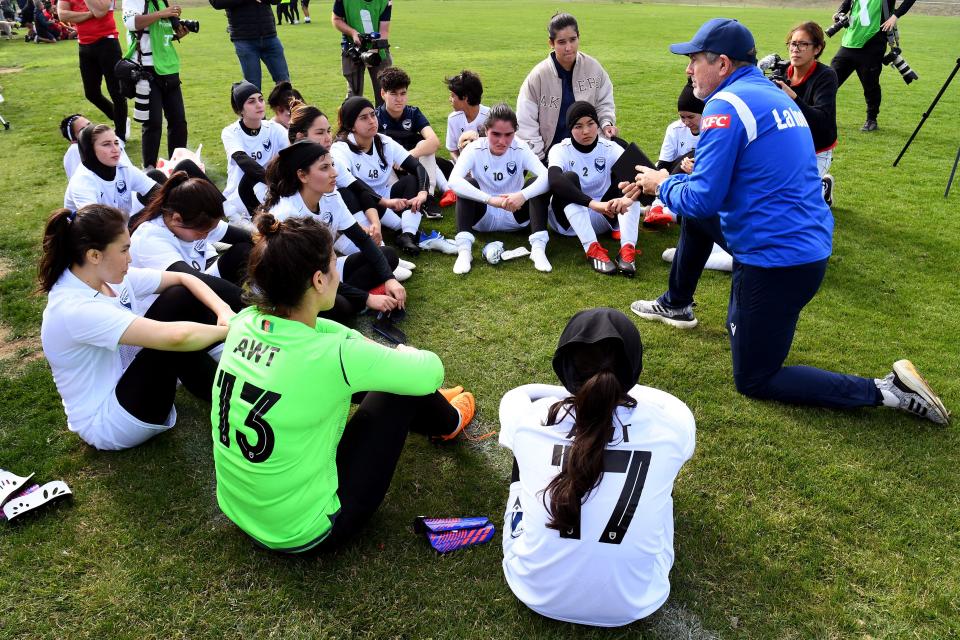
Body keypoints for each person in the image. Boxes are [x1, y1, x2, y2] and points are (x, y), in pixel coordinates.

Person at [622, 18, 950, 425]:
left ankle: (888, 391)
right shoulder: (769, 92)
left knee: (756, 378)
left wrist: (663, 182)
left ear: (722, 64)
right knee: (703, 232)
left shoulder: (725, 107)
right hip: (802, 243)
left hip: (779, 259)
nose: (688, 70)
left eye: (693, 61)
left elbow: (704, 196)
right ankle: (677, 304)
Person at [210, 213, 476, 552]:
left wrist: (358, 344)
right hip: (305, 530)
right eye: (335, 265)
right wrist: (402, 352)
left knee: (379, 370)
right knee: (400, 383)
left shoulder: (245, 321)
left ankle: (436, 408)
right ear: (319, 280)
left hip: (240, 508)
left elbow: (323, 335)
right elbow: (429, 370)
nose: (338, 274)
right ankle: (449, 421)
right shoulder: (333, 353)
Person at [500, 307, 695, 627]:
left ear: (564, 369)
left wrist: (574, 392)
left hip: (535, 589)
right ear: (633, 372)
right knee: (663, 485)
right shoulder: (673, 426)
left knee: (522, 459)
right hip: (636, 601)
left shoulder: (528, 418)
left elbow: (519, 394)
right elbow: (668, 401)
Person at [39, 204, 234, 450]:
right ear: (94, 255)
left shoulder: (101, 278)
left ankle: (224, 390)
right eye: (124, 250)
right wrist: (234, 330)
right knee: (172, 331)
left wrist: (224, 311)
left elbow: (185, 278)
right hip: (111, 422)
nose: (130, 258)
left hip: (131, 385)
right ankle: (234, 393)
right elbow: (175, 337)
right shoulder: (73, 308)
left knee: (179, 296)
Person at [263, 140, 407, 319]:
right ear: (302, 175)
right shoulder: (288, 214)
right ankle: (360, 299)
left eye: (332, 165)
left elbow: (361, 239)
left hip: (325, 272)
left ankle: (360, 295)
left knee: (388, 255)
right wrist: (367, 298)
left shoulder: (332, 196)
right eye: (324, 168)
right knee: (342, 309)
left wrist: (389, 278)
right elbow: (308, 275)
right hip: (300, 283)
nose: (334, 173)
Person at [448, 103, 551, 274]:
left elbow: (547, 176)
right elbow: (453, 181)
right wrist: (490, 200)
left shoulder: (520, 147)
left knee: (535, 183)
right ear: (486, 130)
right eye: (496, 134)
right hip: (483, 217)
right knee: (467, 184)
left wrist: (522, 195)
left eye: (508, 135)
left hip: (516, 213)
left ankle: (538, 250)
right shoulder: (474, 148)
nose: (502, 141)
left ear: (515, 132)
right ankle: (464, 251)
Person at [129, 171, 252, 313]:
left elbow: (247, 237)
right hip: (154, 311)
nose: (206, 236)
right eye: (202, 232)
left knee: (244, 250)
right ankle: (237, 314)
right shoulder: (150, 238)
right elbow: (190, 278)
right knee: (184, 290)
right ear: (177, 219)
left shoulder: (192, 219)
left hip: (195, 283)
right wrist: (248, 300)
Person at [546, 101, 640, 277]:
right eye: (578, 126)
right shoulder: (559, 149)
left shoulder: (610, 147)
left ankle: (627, 251)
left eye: (590, 124)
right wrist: (593, 204)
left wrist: (627, 199)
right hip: (566, 223)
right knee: (568, 178)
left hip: (604, 217)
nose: (586, 131)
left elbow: (642, 174)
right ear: (570, 129)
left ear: (598, 124)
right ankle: (592, 249)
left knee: (630, 182)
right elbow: (554, 180)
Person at [331, 96, 430, 256]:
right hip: (362, 204)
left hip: (385, 200)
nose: (372, 121)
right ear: (351, 126)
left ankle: (407, 234)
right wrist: (385, 202)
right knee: (349, 192)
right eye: (364, 118)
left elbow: (417, 166)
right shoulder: (340, 148)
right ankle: (379, 243)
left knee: (411, 180)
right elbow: (352, 184)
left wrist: (423, 192)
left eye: (372, 114)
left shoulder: (384, 141)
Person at [517, 12, 617, 162]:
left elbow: (604, 102)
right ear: (551, 43)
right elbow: (526, 121)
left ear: (579, 37)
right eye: (562, 42)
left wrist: (606, 123)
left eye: (573, 40)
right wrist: (539, 157)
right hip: (553, 155)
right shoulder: (538, 76)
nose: (569, 48)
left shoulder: (593, 68)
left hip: (590, 148)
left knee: (624, 155)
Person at [375, 66, 451, 216]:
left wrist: (407, 157)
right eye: (393, 94)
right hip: (390, 169)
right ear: (383, 93)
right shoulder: (375, 117)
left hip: (413, 165)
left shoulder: (413, 113)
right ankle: (400, 199)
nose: (399, 99)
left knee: (425, 145)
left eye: (403, 93)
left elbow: (434, 142)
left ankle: (428, 198)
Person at [775, 21, 838, 205]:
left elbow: (822, 120)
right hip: (788, 144)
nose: (796, 49)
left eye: (803, 44)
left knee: (797, 202)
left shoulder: (826, 76)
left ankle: (822, 188)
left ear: (817, 49)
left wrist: (793, 97)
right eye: (793, 44)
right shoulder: (781, 71)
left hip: (817, 149)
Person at [121, 0, 189, 168]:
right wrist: (162, 13)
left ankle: (179, 165)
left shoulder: (161, 1)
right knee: (153, 123)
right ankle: (150, 169)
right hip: (146, 68)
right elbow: (131, 23)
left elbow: (158, 35)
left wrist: (176, 34)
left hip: (169, 67)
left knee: (178, 121)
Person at [830, 0, 915, 132]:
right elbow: (848, 2)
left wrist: (895, 16)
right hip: (849, 42)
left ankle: (871, 119)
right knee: (829, 81)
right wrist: (839, 12)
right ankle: (822, 114)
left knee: (870, 85)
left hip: (873, 43)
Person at [56, 0, 127, 140]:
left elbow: (100, 12)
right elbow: (62, 15)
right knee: (91, 93)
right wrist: (89, 14)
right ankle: (119, 118)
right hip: (84, 45)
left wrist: (79, 15)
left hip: (107, 42)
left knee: (116, 92)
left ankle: (120, 135)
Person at [221, 80, 289, 224]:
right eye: (251, 101)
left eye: (261, 99)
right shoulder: (230, 132)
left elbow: (290, 156)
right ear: (240, 110)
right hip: (241, 195)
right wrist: (274, 183)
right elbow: (243, 161)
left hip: (271, 190)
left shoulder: (275, 128)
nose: (259, 104)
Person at [64, 124, 159, 218]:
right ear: (90, 150)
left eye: (116, 143)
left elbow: (160, 194)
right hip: (96, 230)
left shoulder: (123, 168)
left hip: (121, 225)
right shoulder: (82, 182)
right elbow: (95, 224)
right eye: (106, 144)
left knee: (156, 177)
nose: (115, 149)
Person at [209, 0, 291, 92]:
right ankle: (256, 105)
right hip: (244, 39)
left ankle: (286, 106)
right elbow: (217, 3)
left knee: (285, 83)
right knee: (253, 86)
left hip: (269, 35)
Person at [331, 0, 391, 105]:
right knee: (354, 94)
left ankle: (381, 120)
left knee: (384, 92)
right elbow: (336, 19)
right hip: (352, 47)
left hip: (378, 48)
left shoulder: (385, 1)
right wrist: (353, 33)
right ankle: (350, 120)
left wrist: (376, 47)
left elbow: (384, 29)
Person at [444, 70, 488, 164]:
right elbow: (453, 150)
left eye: (452, 96)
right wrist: (460, 164)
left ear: (465, 97)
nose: (450, 99)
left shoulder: (491, 117)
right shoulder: (453, 119)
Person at [60, 113, 91, 178]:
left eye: (89, 124)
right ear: (74, 139)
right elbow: (79, 179)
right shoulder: (75, 150)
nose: (89, 129)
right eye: (82, 130)